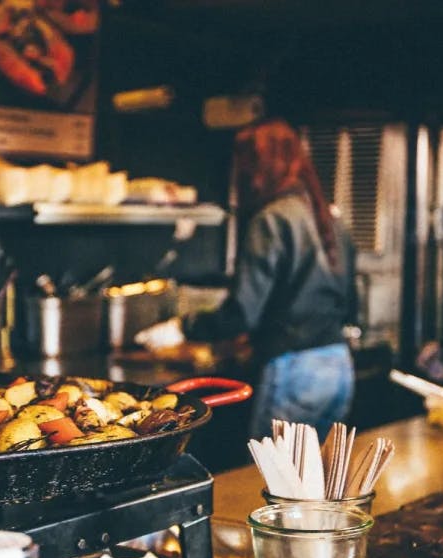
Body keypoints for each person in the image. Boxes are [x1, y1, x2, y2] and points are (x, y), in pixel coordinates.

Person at [136, 118, 356, 439]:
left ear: (258, 167)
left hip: (293, 369)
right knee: (315, 481)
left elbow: (242, 313)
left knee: (274, 480)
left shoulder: (272, 219)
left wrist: (183, 327)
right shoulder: (328, 215)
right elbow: (349, 302)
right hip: (337, 366)